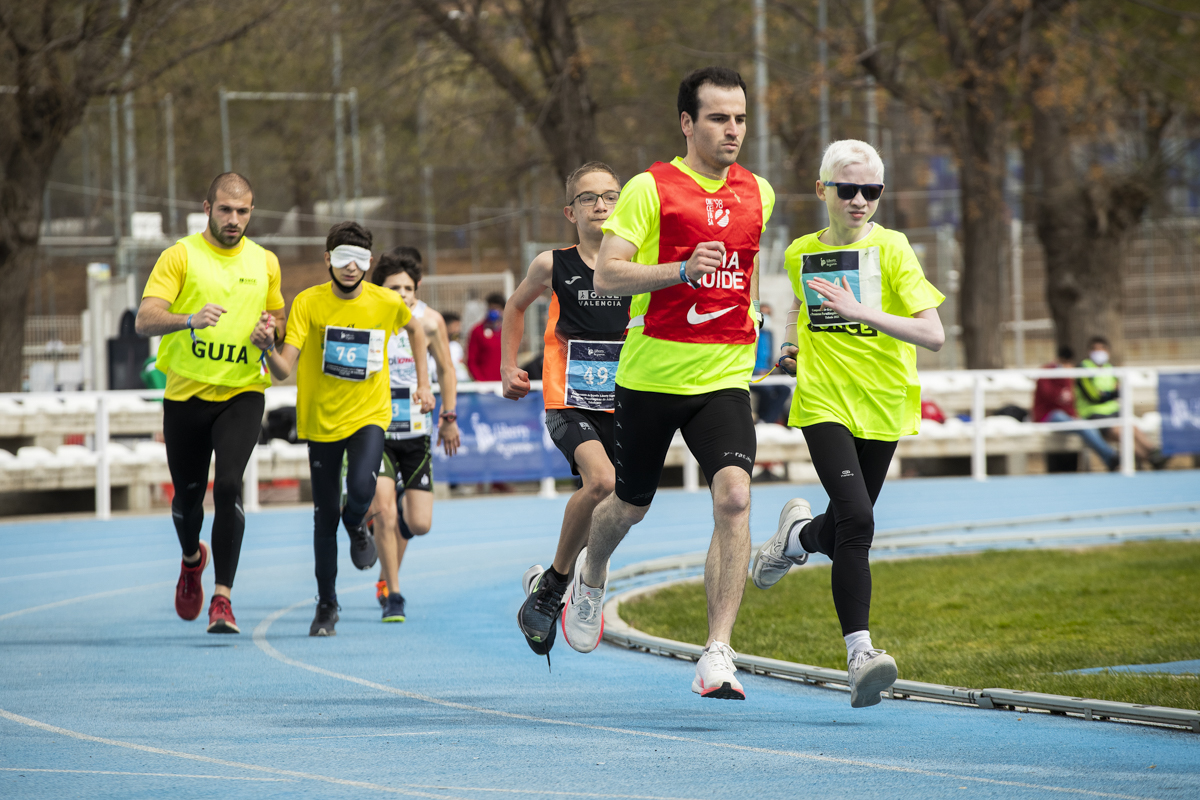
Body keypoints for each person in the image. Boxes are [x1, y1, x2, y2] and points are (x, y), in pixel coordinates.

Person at [560, 67, 774, 701]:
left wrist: (756, 327)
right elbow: (606, 275)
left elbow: (747, 269)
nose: (732, 129)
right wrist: (680, 269)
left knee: (735, 498)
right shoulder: (651, 188)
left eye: (739, 117)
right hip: (652, 375)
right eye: (717, 118)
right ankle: (592, 572)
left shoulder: (759, 190)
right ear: (688, 122)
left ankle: (718, 653)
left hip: (725, 375)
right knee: (628, 505)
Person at [751, 139, 946, 709]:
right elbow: (796, 306)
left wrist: (862, 312)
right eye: (848, 189)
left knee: (840, 529)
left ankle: (796, 539)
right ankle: (860, 655)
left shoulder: (894, 249)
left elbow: (932, 333)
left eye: (872, 191)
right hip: (824, 400)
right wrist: (788, 344)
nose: (860, 200)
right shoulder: (800, 252)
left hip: (883, 402)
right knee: (859, 520)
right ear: (823, 191)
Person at [255, 222, 433, 636]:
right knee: (322, 518)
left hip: (369, 416)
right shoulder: (308, 303)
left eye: (358, 260)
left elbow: (416, 330)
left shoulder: (385, 302)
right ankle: (326, 605)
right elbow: (283, 369)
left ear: (369, 263)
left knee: (360, 491)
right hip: (321, 423)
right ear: (326, 260)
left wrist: (424, 382)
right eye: (341, 259)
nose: (350, 268)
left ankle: (356, 522)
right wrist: (266, 347)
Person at [135, 172, 285, 635]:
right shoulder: (180, 256)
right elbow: (145, 320)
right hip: (186, 395)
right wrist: (189, 319)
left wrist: (270, 333)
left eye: (243, 211)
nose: (234, 219)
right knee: (188, 501)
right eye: (225, 210)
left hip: (242, 392)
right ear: (207, 208)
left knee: (229, 488)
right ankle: (191, 558)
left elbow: (276, 316)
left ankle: (223, 599)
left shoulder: (265, 262)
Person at [501, 161, 629, 660]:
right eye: (589, 198)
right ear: (569, 211)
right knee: (601, 483)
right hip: (569, 399)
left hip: (627, 401)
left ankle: (572, 580)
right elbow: (516, 307)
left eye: (611, 196)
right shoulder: (552, 265)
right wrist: (509, 366)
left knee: (619, 506)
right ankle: (557, 587)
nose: (601, 205)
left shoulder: (640, 262)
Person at [366, 251, 461, 622]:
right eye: (393, 287)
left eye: (408, 287)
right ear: (380, 289)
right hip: (376, 431)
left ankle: (381, 539)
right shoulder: (369, 317)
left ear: (417, 288)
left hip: (417, 433)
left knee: (418, 523)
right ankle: (393, 593)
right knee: (386, 512)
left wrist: (448, 417)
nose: (402, 293)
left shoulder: (431, 321)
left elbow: (448, 372)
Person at [1076, 336, 1167, 469]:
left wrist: (1107, 393)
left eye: (1102, 349)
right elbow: (1093, 396)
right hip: (1093, 412)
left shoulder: (1110, 368)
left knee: (1132, 427)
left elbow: (1119, 391)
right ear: (1089, 352)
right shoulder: (1083, 368)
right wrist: (1110, 393)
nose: (1099, 352)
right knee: (1121, 432)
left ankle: (1154, 452)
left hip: (1112, 410)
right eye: (1095, 349)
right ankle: (1149, 458)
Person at [1033, 344, 1118, 470]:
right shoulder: (1047, 373)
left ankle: (1111, 458)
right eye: (1064, 363)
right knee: (1079, 425)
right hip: (1047, 415)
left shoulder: (1069, 376)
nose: (1067, 367)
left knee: (1085, 426)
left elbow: (1071, 402)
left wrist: (1074, 415)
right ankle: (1110, 455)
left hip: (1066, 417)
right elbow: (1049, 396)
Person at [749, 301, 790, 425]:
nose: (766, 317)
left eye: (768, 314)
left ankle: (769, 421)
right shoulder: (751, 333)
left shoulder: (769, 334)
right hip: (753, 375)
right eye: (763, 314)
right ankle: (764, 420)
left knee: (784, 389)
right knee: (767, 390)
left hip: (767, 374)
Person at [466, 293, 505, 381]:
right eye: (492, 308)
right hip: (484, 385)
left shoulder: (506, 331)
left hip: (503, 383)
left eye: (497, 309)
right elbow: (471, 360)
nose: (494, 311)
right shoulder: (477, 331)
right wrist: (479, 380)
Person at [441, 312, 471, 382]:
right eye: (456, 326)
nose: (458, 330)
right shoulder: (435, 348)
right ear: (445, 327)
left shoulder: (456, 346)